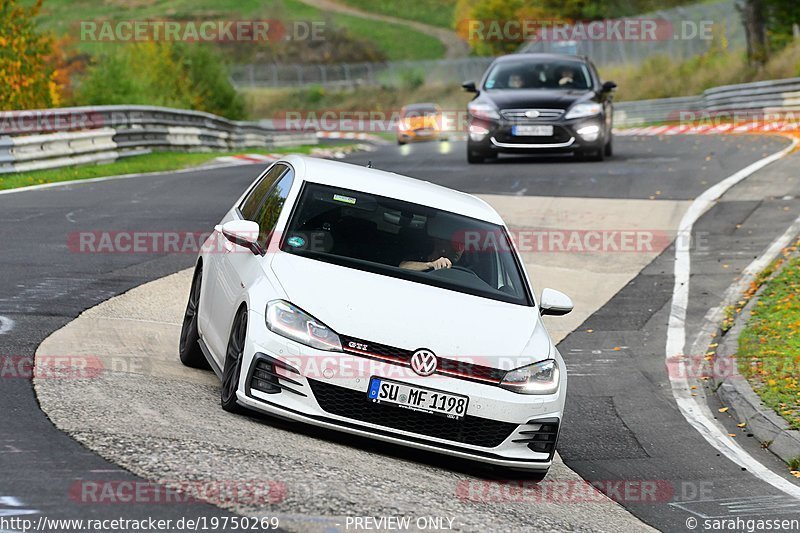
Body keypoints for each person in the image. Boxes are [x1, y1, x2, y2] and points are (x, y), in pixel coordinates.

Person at [399, 237, 464, 271]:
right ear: (439, 242)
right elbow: (402, 266)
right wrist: (431, 265)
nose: (459, 248)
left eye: (462, 245)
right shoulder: (424, 253)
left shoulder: (468, 265)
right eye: (456, 244)